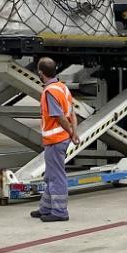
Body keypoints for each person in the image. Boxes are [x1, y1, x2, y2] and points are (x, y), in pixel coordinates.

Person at [30, 57, 81, 222]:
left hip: (56, 139)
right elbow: (72, 113)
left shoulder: (50, 91)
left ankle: (60, 212)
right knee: (50, 175)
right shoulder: (63, 88)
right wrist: (74, 132)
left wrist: (71, 132)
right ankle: (46, 207)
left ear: (40, 73)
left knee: (57, 176)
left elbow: (59, 116)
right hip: (60, 138)